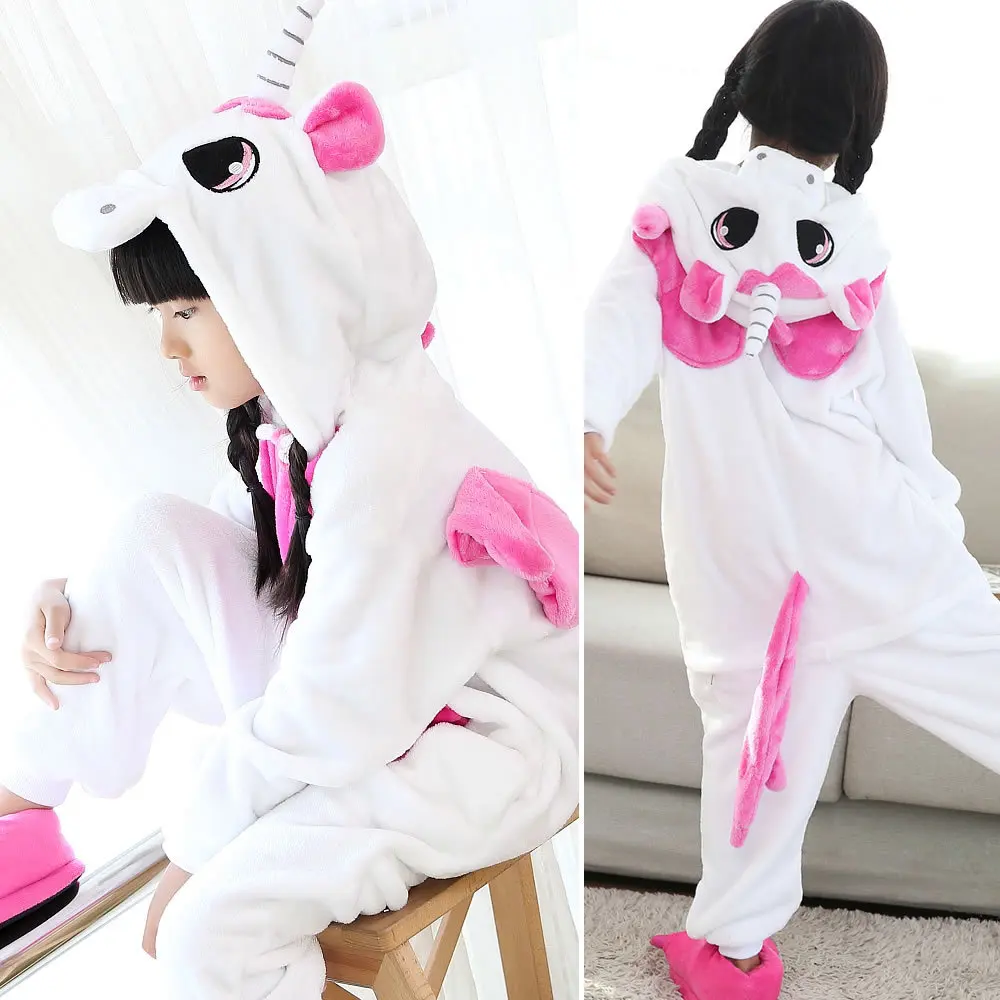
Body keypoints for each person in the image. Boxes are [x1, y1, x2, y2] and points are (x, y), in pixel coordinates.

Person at [0, 1, 579, 995]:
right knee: (148, 535)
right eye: (161, 313)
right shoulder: (298, 420)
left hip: (478, 743)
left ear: (278, 291)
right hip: (381, 698)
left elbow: (336, 709)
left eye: (188, 310)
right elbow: (234, 565)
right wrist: (78, 605)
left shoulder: (389, 452)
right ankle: (19, 815)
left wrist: (196, 846)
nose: (168, 345)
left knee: (203, 934)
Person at [583, 2, 1000, 998]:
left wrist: (585, 417)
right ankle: (726, 943)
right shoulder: (850, 235)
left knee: (753, 771)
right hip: (882, 558)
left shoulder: (683, 202)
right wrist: (943, 531)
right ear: (860, 117)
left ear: (748, 85)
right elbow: (899, 414)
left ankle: (732, 955)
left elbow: (614, 316)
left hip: (752, 585)